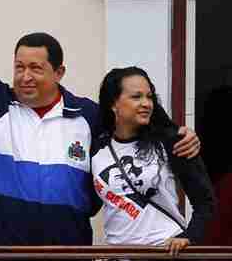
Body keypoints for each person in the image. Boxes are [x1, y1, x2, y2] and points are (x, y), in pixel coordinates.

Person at [0, 0, 200, 248]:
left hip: (70, 252)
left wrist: (179, 135)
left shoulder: (88, 115)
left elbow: (135, 121)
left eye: (36, 68)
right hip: (0, 253)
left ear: (59, 72)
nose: (25, 77)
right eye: (19, 67)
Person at [91, 67, 215, 256]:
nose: (146, 103)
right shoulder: (97, 148)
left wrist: (188, 237)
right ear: (113, 104)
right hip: (117, 253)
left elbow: (206, 202)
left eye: (149, 97)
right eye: (136, 97)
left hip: (164, 252)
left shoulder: (172, 142)